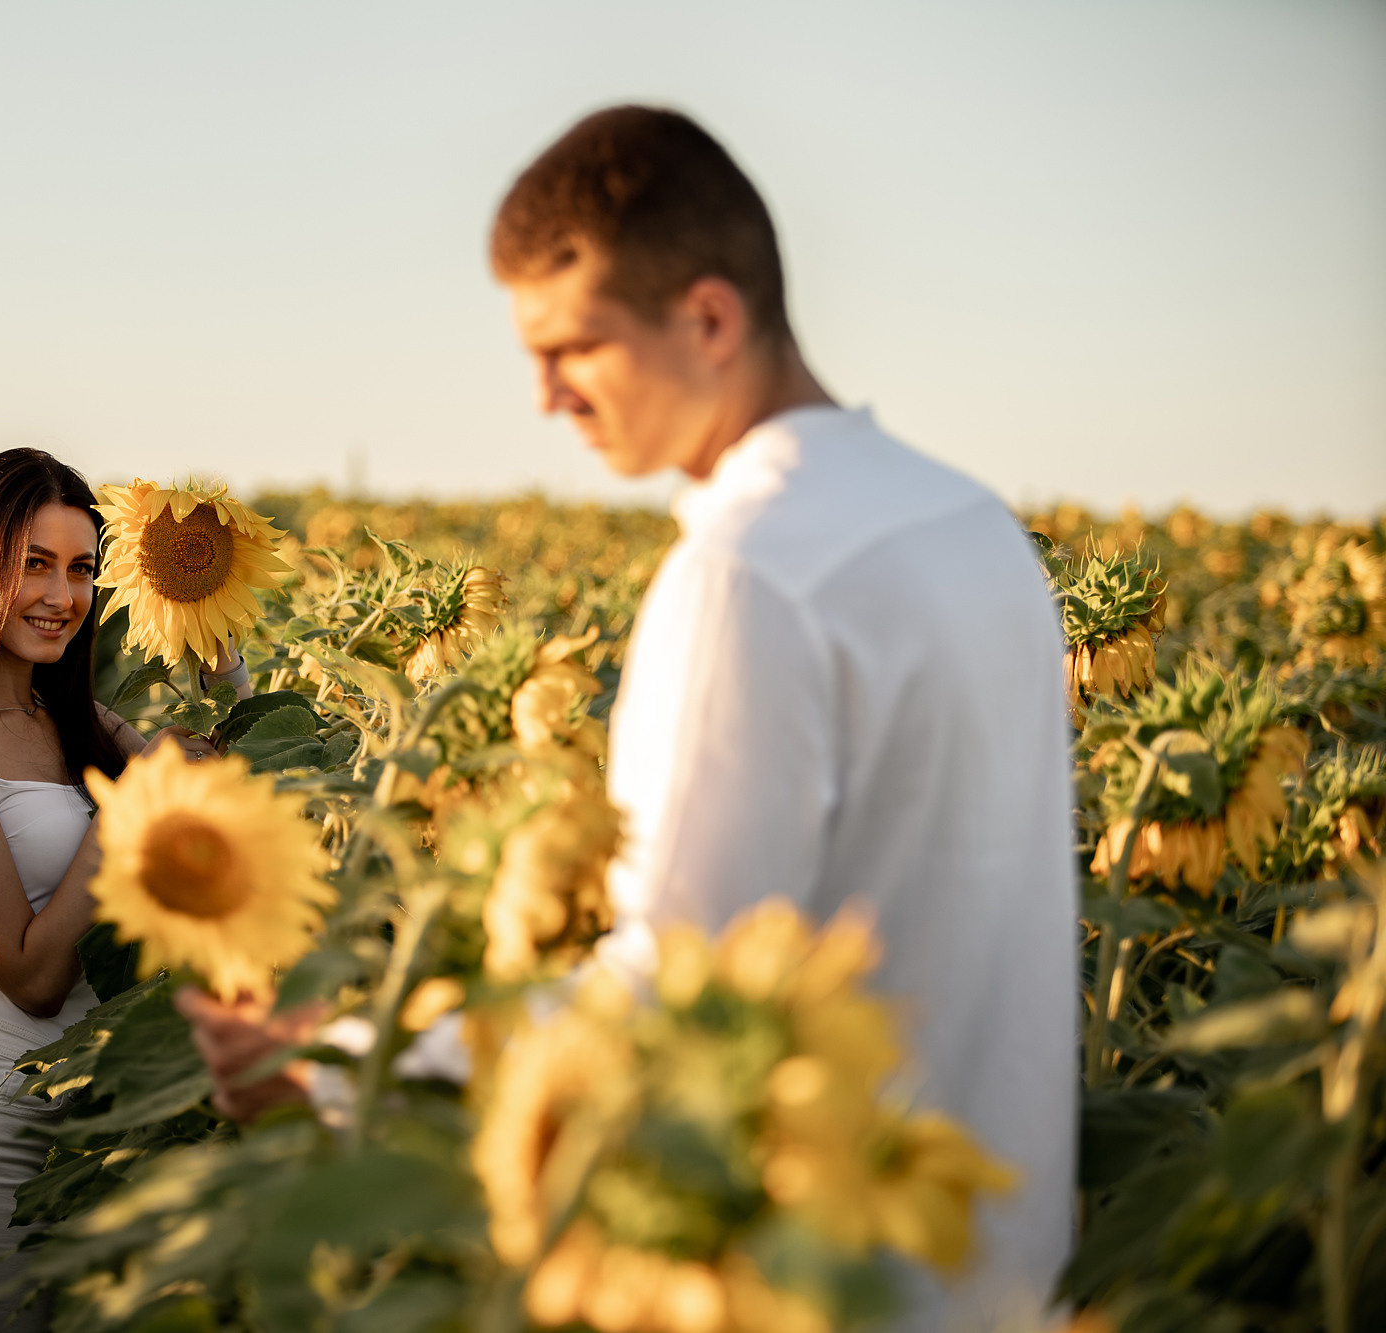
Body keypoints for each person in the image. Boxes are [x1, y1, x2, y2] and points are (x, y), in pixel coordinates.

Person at [181, 107, 1076, 1332]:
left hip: (799, 1277)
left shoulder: (747, 571)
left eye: (575, 349)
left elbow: (674, 988)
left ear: (706, 319)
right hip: (998, 1260)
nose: (545, 396)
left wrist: (338, 1069)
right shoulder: (973, 528)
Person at [0, 447, 245, 1332]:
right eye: (32, 564)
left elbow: (210, 797)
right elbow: (33, 977)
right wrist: (129, 807)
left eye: (81, 570)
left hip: (101, 1134)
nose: (61, 596)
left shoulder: (69, 717)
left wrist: (220, 672)